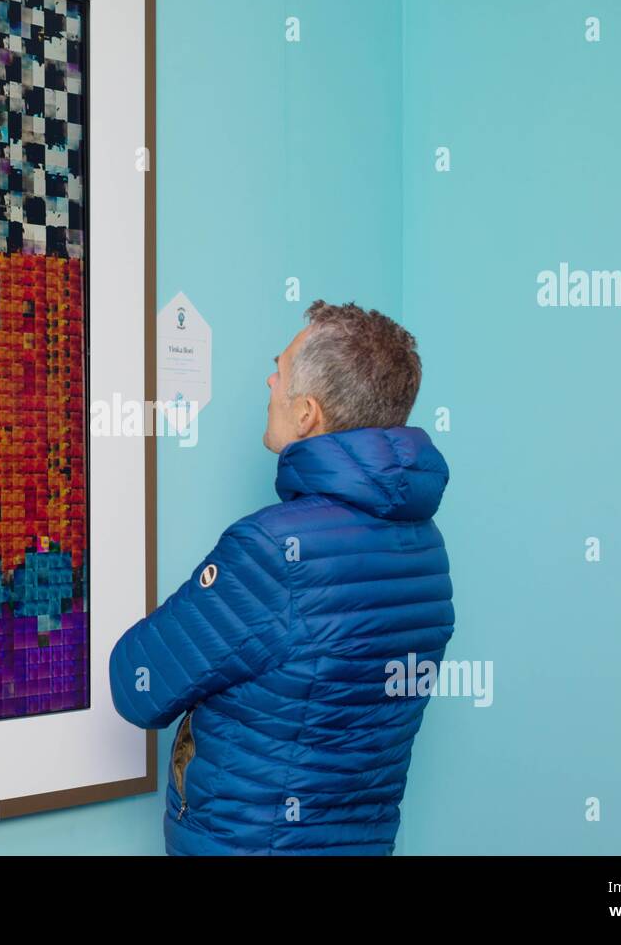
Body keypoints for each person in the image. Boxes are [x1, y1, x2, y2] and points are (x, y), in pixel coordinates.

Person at [108, 300, 454, 855]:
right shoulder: (425, 544)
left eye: (282, 369)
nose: (270, 380)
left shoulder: (271, 552)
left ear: (308, 413)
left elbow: (138, 687)